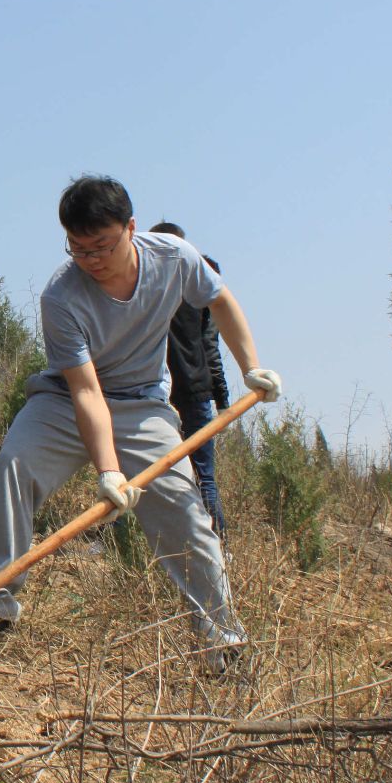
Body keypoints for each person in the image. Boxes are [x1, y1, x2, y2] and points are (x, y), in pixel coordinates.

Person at [0, 176, 281, 672]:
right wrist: (109, 473)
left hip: (142, 406)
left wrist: (250, 367)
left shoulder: (174, 257)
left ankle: (220, 642)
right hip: (67, 402)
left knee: (186, 516)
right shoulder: (61, 297)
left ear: (131, 228)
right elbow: (86, 390)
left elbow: (218, 299)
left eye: (102, 246)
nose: (90, 260)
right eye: (78, 249)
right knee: (14, 465)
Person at [151, 221, 231, 542]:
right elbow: (210, 345)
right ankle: (221, 547)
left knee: (144, 474)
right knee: (203, 476)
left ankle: (129, 542)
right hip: (195, 391)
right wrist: (222, 398)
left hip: (161, 394)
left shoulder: (148, 288)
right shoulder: (198, 287)